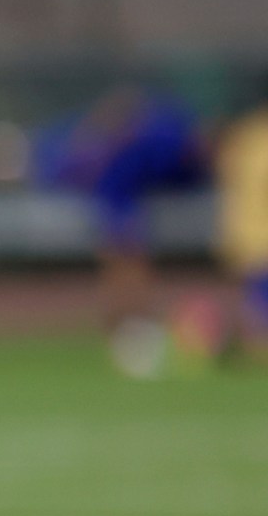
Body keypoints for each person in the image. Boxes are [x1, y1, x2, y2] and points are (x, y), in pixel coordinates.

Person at [28, 85, 209, 334]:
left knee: (126, 261)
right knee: (124, 261)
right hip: (119, 212)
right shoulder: (116, 158)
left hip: (131, 207)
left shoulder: (154, 142)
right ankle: (130, 323)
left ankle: (133, 322)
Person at [216, 82, 268, 360]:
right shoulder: (251, 136)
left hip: (246, 234)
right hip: (257, 237)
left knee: (254, 305)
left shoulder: (244, 135)